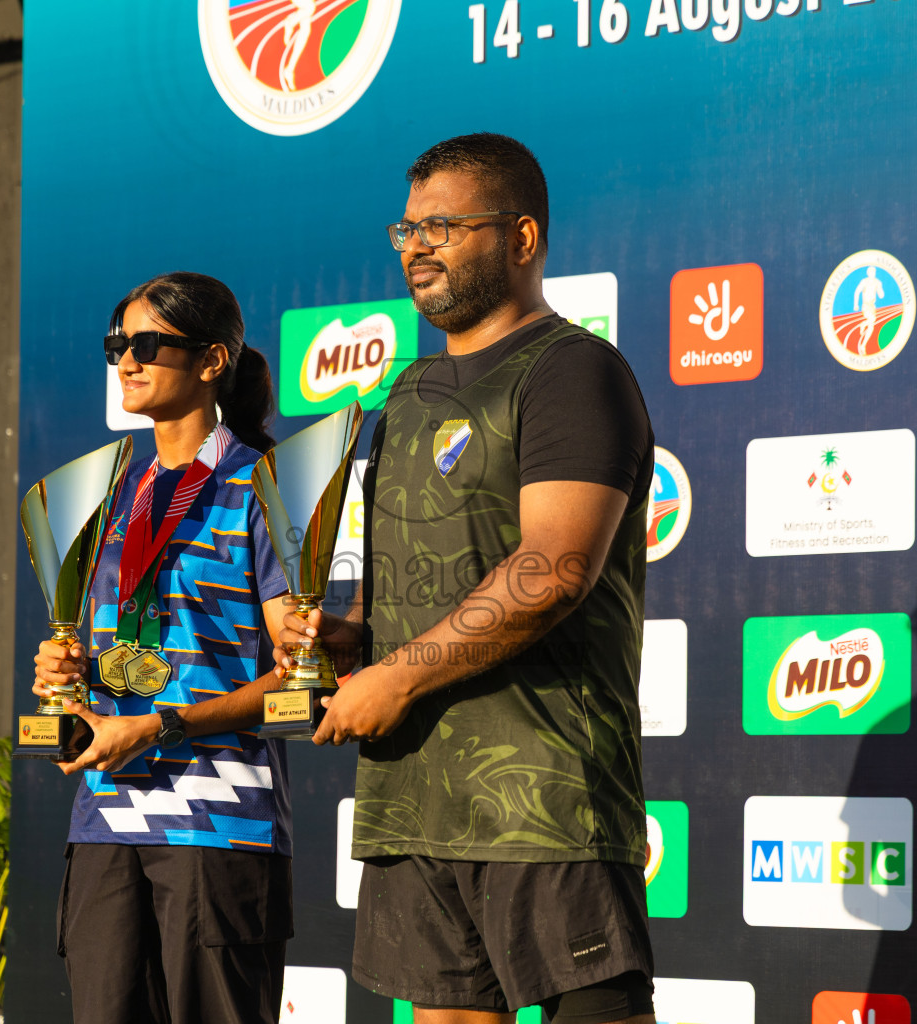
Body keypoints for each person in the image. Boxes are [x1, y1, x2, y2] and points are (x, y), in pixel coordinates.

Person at [276, 134, 657, 1024]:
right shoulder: (408, 393)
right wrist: (348, 640)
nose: (417, 247)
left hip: (546, 793)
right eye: (407, 229)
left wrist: (398, 677)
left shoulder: (571, 370)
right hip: (413, 794)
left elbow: (554, 568)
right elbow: (407, 586)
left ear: (522, 237)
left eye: (443, 227)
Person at [32, 272, 294, 1024]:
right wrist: (66, 674)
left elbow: (299, 678)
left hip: (219, 824)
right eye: (118, 344)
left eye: (147, 344)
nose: (127, 361)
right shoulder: (109, 490)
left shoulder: (264, 485)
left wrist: (162, 726)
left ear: (212, 360)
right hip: (105, 819)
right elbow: (121, 651)